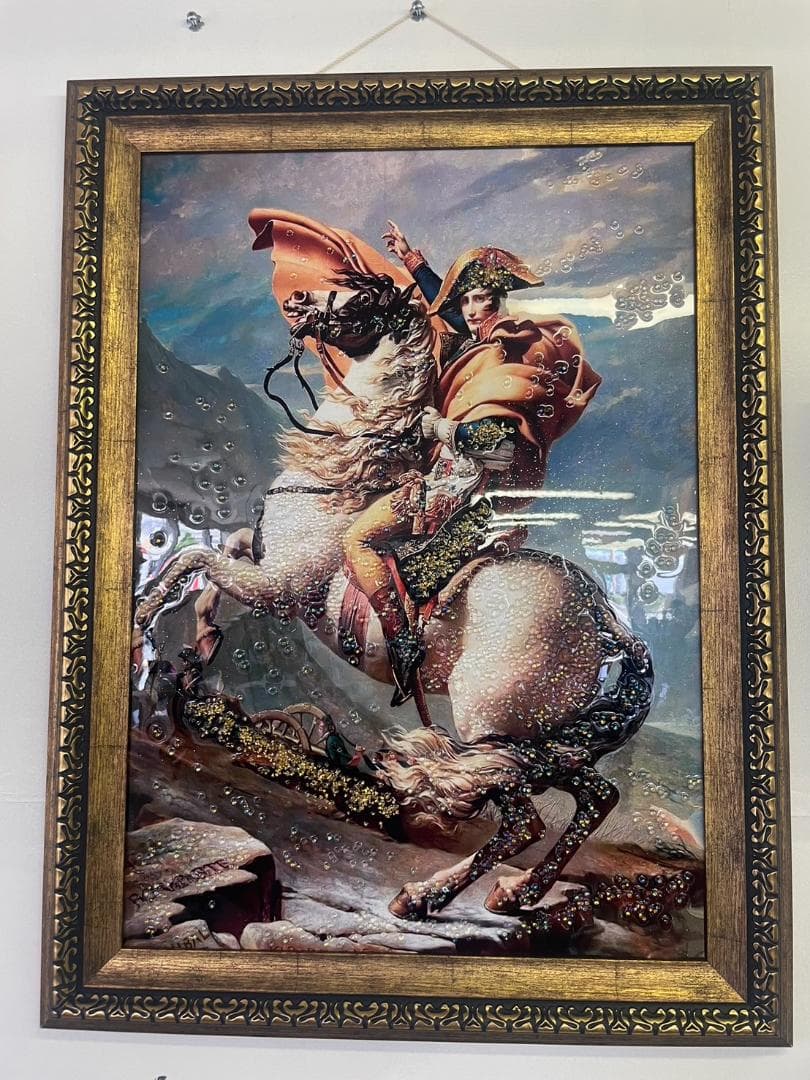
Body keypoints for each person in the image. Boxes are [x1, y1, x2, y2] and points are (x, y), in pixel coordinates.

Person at [341, 222, 602, 707]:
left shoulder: (503, 355)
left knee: (356, 538)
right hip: (471, 491)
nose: (468, 310)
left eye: (478, 299)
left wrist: (438, 427)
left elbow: (494, 443)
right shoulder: (490, 343)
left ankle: (402, 643)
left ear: (497, 300)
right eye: (464, 301)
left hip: (460, 494)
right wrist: (411, 259)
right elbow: (446, 311)